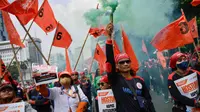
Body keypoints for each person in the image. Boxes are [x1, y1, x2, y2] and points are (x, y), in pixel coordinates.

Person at [105, 23, 155, 112]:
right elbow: (109, 62)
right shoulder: (115, 80)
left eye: (127, 61)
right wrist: (109, 38)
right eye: (122, 62)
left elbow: (148, 101)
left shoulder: (139, 80)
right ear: (117, 65)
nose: (125, 64)